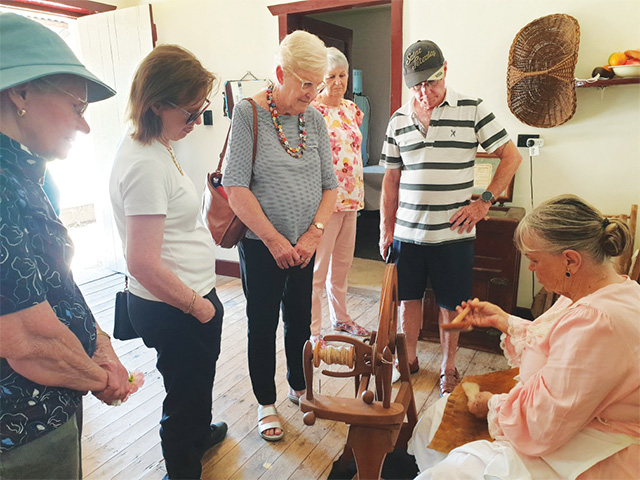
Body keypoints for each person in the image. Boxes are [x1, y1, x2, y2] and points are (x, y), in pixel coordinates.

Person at [409, 194, 640, 479]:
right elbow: (556, 344)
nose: (531, 268)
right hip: (575, 423)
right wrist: (504, 321)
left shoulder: (596, 321)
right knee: (435, 417)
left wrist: (491, 404)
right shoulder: (607, 291)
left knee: (449, 473)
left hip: (598, 444)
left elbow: (542, 424)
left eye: (534, 259)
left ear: (570, 260)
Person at [0, 13, 130, 479]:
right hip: (21, 428)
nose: (86, 126)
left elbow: (58, 284)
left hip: (50, 408)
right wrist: (102, 378)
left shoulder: (25, 174)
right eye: (78, 106)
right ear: (21, 92)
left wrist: (101, 345)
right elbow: (25, 339)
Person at [109, 45, 226, 479]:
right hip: (175, 306)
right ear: (157, 103)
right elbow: (141, 262)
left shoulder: (154, 144)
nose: (196, 123)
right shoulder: (143, 163)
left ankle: (197, 435)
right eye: (190, 113)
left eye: (201, 111)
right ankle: (182, 467)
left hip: (187, 297)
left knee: (195, 384)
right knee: (184, 393)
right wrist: (198, 306)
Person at [379, 40, 521, 393]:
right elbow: (391, 180)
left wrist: (484, 203)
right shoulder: (398, 119)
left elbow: (511, 156)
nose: (425, 93)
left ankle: (448, 368)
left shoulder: (472, 108)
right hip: (407, 234)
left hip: (453, 237)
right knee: (407, 302)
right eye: (417, 85)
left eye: (432, 82)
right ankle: (408, 360)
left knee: (451, 307)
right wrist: (386, 228)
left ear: (446, 70)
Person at [224, 30, 338, 442]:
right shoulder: (248, 113)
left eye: (318, 83)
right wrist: (274, 241)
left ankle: (298, 385)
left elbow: (331, 186)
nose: (312, 92)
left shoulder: (316, 119)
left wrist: (312, 236)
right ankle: (265, 402)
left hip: (304, 246)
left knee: (299, 322)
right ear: (279, 73)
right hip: (261, 247)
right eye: (305, 83)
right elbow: (236, 187)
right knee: (262, 323)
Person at [310, 47, 370, 346]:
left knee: (343, 265)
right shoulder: (312, 112)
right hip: (325, 204)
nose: (337, 82)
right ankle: (314, 330)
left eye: (342, 75)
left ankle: (342, 318)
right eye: (331, 76)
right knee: (318, 270)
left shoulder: (351, 109)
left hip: (352, 199)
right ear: (321, 78)